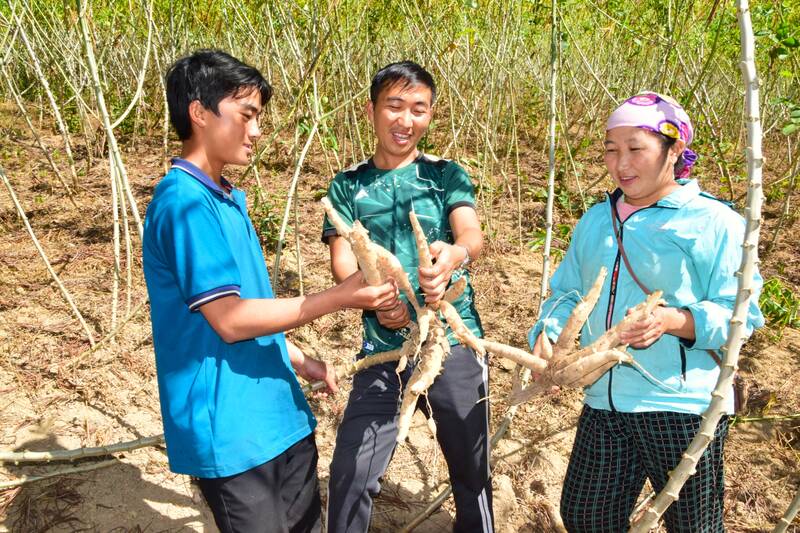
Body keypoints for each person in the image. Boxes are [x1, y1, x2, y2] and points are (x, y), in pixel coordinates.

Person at [142, 49, 400, 533]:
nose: (256, 131)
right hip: (233, 432)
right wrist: (337, 297)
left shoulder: (226, 199)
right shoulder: (184, 205)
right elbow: (229, 319)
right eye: (247, 115)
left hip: (280, 416)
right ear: (199, 112)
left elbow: (249, 302)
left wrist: (297, 358)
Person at [528, 91, 764, 532]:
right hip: (604, 400)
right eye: (611, 150)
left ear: (674, 150)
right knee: (585, 517)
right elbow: (567, 290)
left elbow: (742, 313)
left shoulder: (715, 222)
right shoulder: (597, 219)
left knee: (693, 525)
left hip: (681, 404)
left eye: (636, 149)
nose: (621, 164)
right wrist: (547, 333)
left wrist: (674, 320)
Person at [322, 61, 494, 532]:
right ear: (371, 111)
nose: (406, 120)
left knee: (472, 473)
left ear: (431, 115)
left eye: (418, 109)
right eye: (394, 106)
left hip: (453, 341)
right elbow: (342, 262)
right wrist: (376, 297)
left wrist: (452, 256)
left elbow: (471, 235)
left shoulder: (446, 175)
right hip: (383, 350)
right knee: (352, 473)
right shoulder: (348, 186)